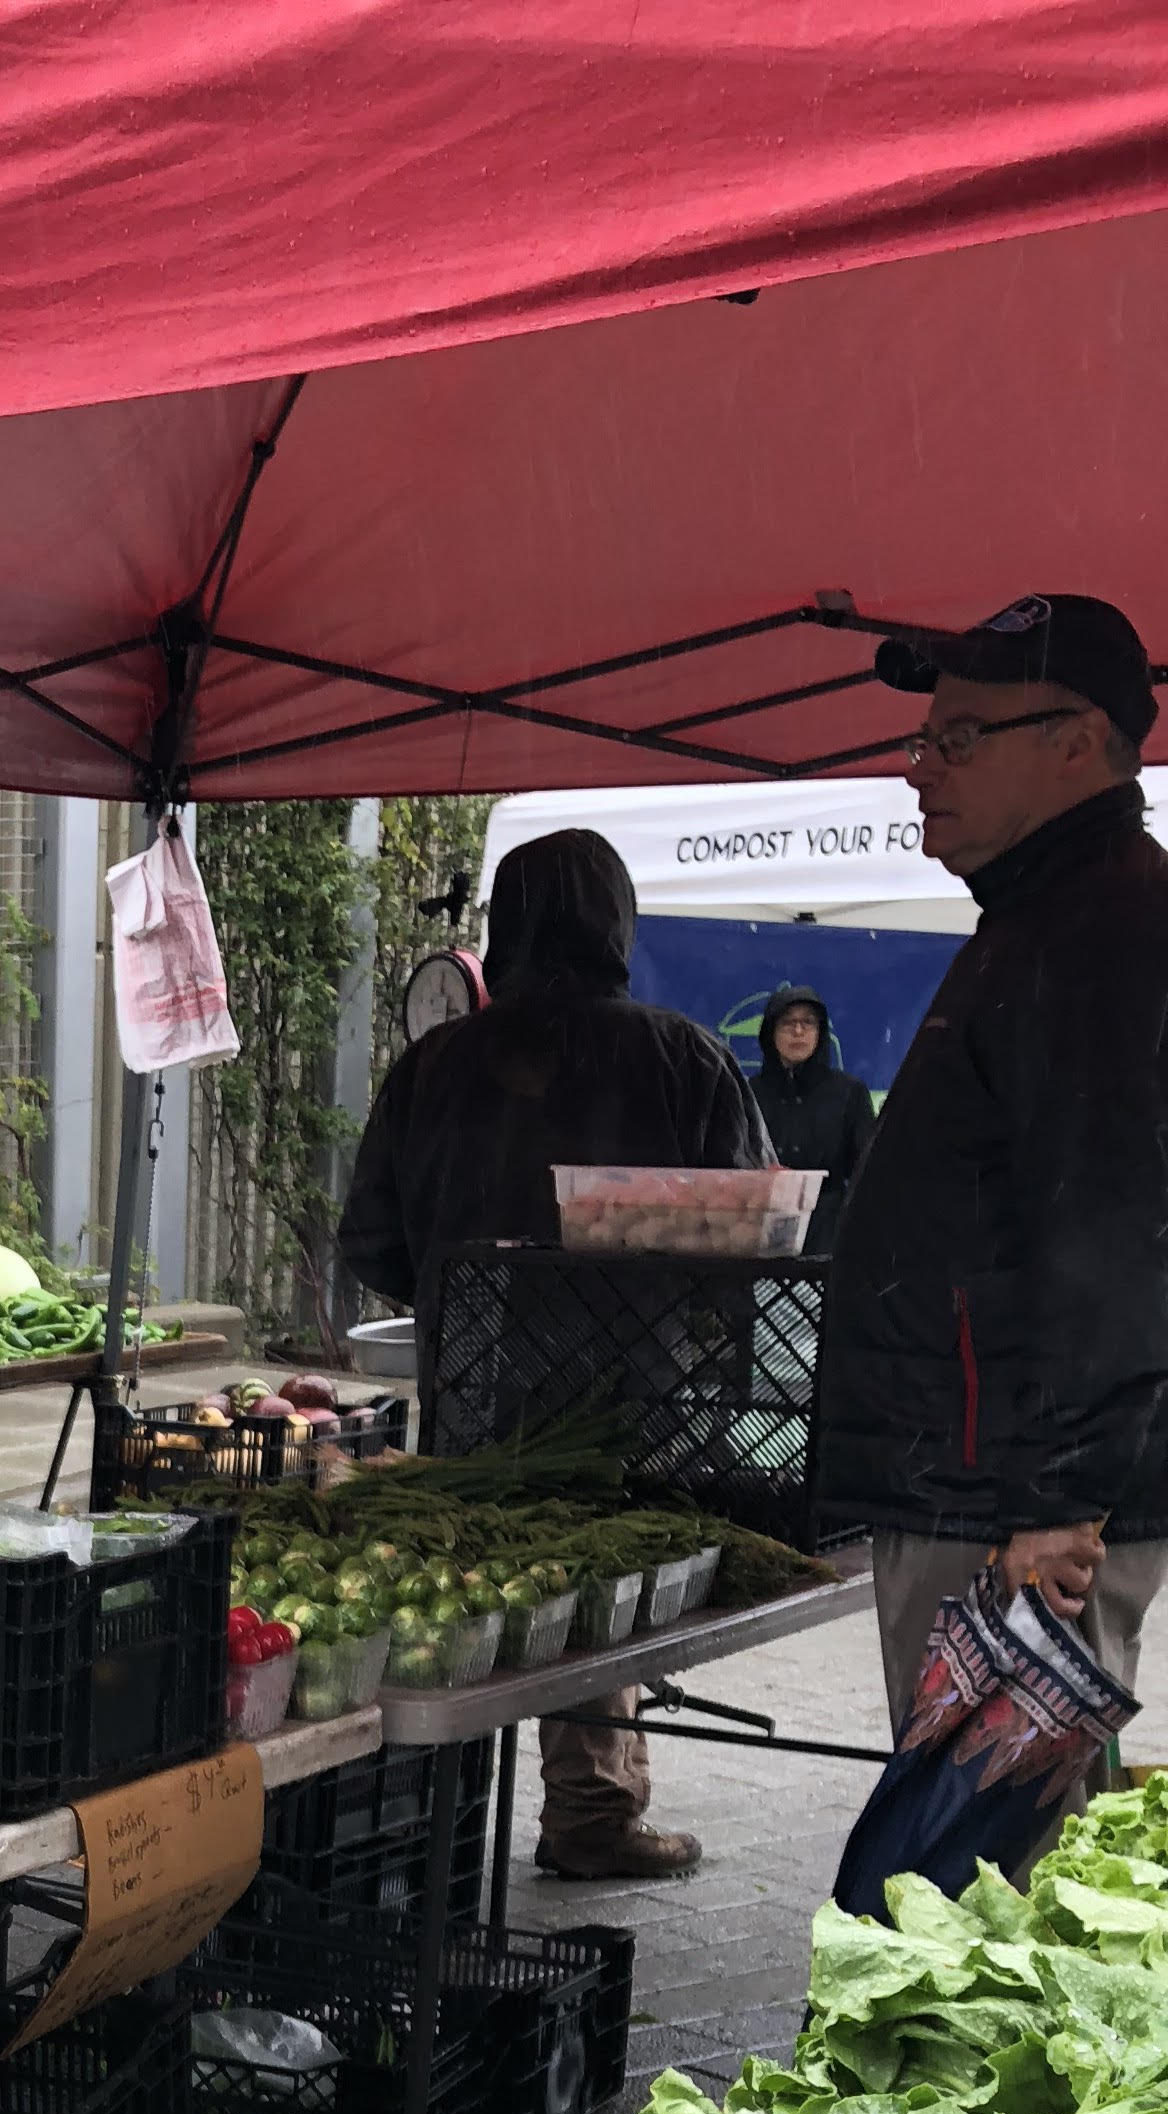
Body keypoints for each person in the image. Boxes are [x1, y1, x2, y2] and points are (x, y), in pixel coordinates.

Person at [338, 824, 769, 1882]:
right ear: (615, 924)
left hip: (478, 1392)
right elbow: (756, 1231)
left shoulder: (434, 1065)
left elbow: (374, 1244)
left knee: (462, 1591)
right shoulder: (683, 1056)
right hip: (643, 1399)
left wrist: (472, 1297)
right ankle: (589, 1810)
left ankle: (424, 1833)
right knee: (594, 1596)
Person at [813, 593, 1168, 1754]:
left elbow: (1118, 1235)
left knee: (992, 1873)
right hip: (988, 1490)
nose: (922, 769)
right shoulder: (1049, 916)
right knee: (1001, 1852)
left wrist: (1060, 1502)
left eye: (960, 739)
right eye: (923, 740)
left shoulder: (1105, 931)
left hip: (1009, 1508)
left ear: (1077, 743)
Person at [747, 985, 879, 1254]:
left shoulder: (848, 1092)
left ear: (820, 1033)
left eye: (808, 1022)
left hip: (829, 1234)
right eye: (788, 1023)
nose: (798, 1031)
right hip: (761, 1229)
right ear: (769, 1033)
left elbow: (866, 1172)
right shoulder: (750, 1091)